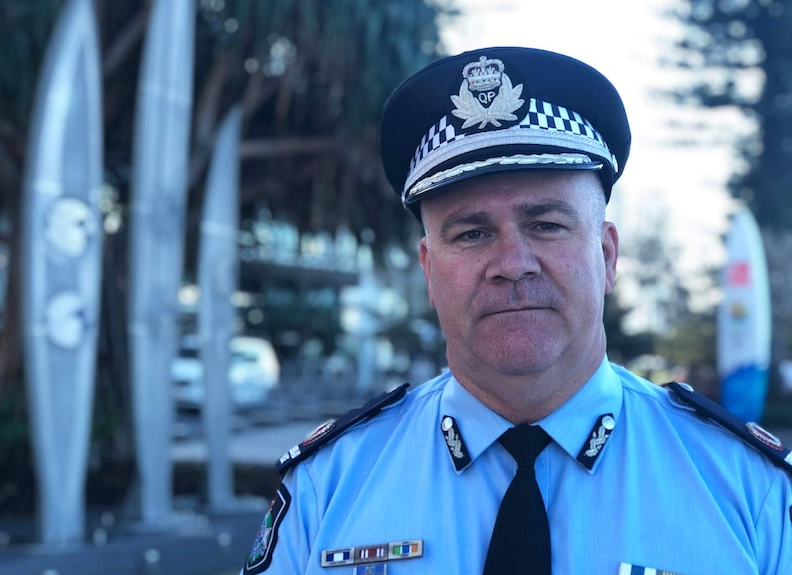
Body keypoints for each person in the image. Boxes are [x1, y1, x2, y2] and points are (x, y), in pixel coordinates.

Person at [241, 47, 792, 575]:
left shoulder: (747, 489)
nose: (512, 263)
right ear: (430, 271)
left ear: (606, 255)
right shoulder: (331, 485)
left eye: (546, 225)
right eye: (473, 232)